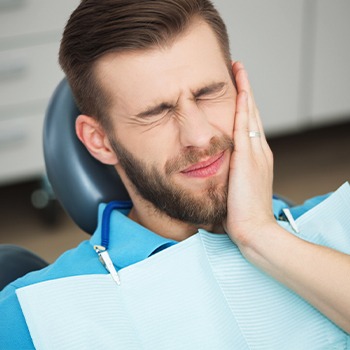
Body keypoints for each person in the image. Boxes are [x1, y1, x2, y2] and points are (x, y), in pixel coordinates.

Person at [0, 0, 349, 348]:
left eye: (209, 93)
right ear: (100, 141)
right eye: (156, 112)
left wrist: (261, 235)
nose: (198, 136)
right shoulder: (34, 313)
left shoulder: (337, 220)